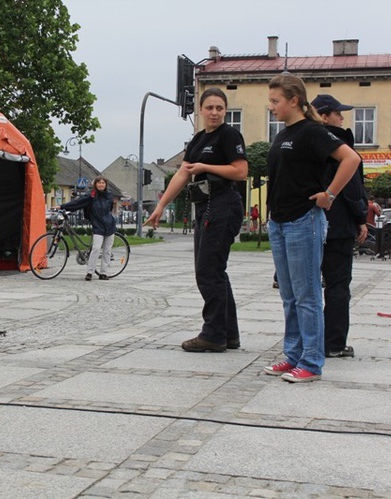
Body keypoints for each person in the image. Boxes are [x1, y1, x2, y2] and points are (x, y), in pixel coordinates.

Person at [263, 74, 360, 383]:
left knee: (307, 296)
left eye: (276, 101)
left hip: (304, 220)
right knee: (289, 295)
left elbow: (351, 158)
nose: (272, 106)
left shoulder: (312, 132)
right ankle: (293, 355)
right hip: (279, 222)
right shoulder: (283, 134)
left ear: (294, 100)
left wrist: (330, 195)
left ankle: (312, 362)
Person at [146, 87, 248, 353]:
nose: (214, 112)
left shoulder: (229, 135)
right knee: (215, 271)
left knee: (208, 271)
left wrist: (205, 167)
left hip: (223, 204)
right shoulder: (199, 139)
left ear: (225, 111)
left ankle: (213, 334)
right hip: (206, 206)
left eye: (219, 108)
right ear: (200, 110)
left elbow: (240, 171)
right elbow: (182, 174)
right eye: (209, 108)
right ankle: (229, 334)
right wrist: (161, 206)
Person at [311, 94, 369, 359]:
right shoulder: (340, 146)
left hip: (309, 224)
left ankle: (309, 340)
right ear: (324, 116)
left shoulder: (306, 141)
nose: (342, 117)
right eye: (338, 113)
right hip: (339, 225)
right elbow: (352, 189)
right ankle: (334, 343)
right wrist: (361, 218)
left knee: (308, 287)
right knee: (337, 285)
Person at [60, 175, 116, 281]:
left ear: (106, 185)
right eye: (99, 183)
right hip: (97, 225)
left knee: (107, 250)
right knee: (96, 248)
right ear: (95, 185)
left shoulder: (109, 195)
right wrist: (63, 206)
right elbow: (78, 202)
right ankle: (90, 272)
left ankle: (103, 273)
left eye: (103, 183)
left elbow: (110, 208)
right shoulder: (91, 195)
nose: (101, 185)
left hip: (109, 224)